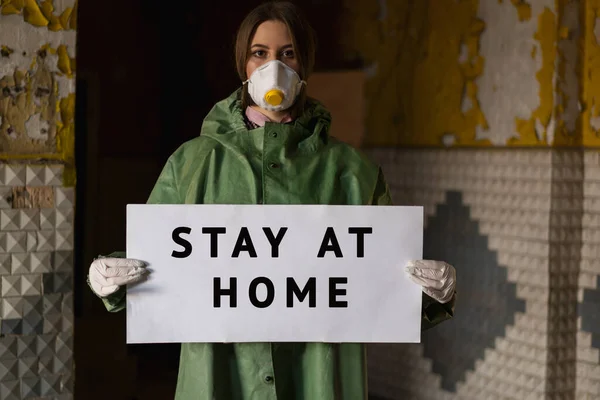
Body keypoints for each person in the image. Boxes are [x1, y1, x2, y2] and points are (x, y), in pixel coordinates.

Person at [87, 2, 457, 399]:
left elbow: (382, 285)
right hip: (219, 379)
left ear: (305, 65)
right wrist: (109, 281)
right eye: (259, 53)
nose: (273, 66)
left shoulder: (354, 171)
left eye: (288, 53)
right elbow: (151, 266)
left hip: (318, 381)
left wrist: (433, 294)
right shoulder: (191, 163)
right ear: (243, 66)